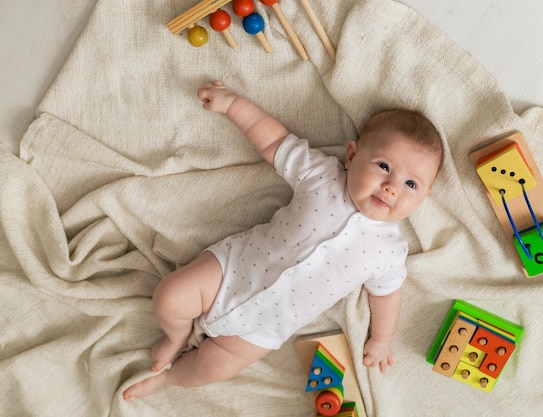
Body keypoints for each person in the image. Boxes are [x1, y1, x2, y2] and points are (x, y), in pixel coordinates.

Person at [123, 80, 443, 400]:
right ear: (351, 155)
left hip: (262, 328)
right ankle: (176, 336)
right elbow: (274, 140)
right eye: (384, 166)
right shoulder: (323, 176)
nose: (391, 187)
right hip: (230, 271)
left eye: (411, 184)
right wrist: (233, 104)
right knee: (170, 296)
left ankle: (168, 379)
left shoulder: (389, 251)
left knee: (213, 367)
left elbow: (386, 296)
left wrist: (381, 339)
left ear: (424, 197)